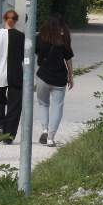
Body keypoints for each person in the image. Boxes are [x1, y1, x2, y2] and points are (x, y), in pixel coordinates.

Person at [34, 14, 75, 147]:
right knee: (57, 106)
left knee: (43, 104)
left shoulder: (40, 37)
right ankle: (51, 137)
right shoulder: (63, 39)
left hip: (43, 76)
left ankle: (45, 129)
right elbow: (68, 59)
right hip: (59, 79)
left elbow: (34, 52)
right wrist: (71, 76)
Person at [0, 9, 24, 143]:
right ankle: (8, 136)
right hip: (15, 75)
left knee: (0, 101)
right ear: (16, 21)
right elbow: (25, 58)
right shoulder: (21, 36)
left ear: (4, 19)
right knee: (14, 106)